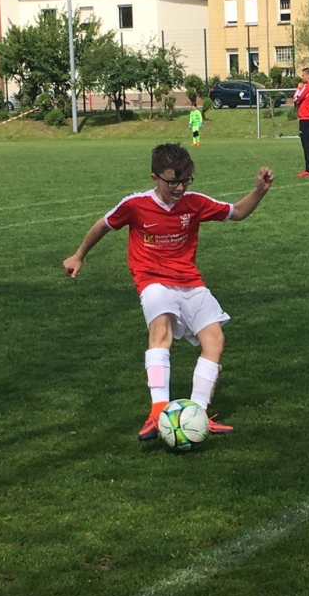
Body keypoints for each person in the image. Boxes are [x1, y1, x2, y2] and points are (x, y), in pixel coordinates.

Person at [62, 143, 275, 439]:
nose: (180, 188)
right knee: (160, 331)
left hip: (190, 280)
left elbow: (237, 212)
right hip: (152, 280)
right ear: (155, 178)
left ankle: (197, 414)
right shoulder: (135, 205)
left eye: (185, 180)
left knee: (214, 340)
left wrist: (259, 192)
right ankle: (157, 411)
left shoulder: (195, 203)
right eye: (173, 181)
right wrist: (79, 255)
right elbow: (103, 225)